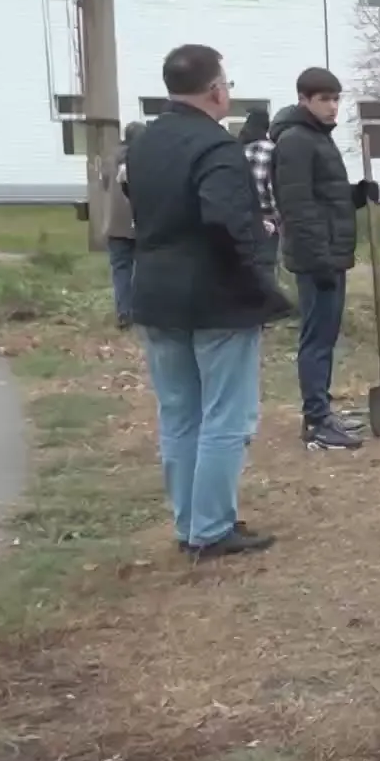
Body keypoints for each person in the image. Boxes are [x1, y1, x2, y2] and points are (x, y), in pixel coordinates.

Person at [124, 44, 291, 560]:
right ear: (217, 89)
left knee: (179, 413)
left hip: (154, 290)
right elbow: (222, 220)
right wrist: (258, 272)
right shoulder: (216, 148)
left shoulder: (145, 141)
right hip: (214, 297)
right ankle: (212, 527)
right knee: (226, 416)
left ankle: (189, 521)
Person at [271, 67, 375, 452]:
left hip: (329, 254)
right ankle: (316, 421)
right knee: (317, 339)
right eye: (324, 100)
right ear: (304, 100)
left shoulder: (315, 137)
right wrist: (319, 261)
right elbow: (297, 207)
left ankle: (322, 411)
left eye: (335, 99)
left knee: (326, 337)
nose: (332, 107)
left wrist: (354, 195)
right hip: (318, 259)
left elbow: (323, 196)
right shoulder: (297, 140)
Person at [104, 121, 146, 329]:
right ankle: (141, 312)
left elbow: (104, 183)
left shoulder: (111, 157)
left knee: (121, 269)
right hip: (141, 222)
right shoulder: (146, 157)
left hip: (115, 224)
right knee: (144, 269)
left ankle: (124, 313)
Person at [238, 109, 279, 246]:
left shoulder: (238, 149)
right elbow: (272, 187)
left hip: (241, 217)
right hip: (267, 219)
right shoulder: (271, 149)